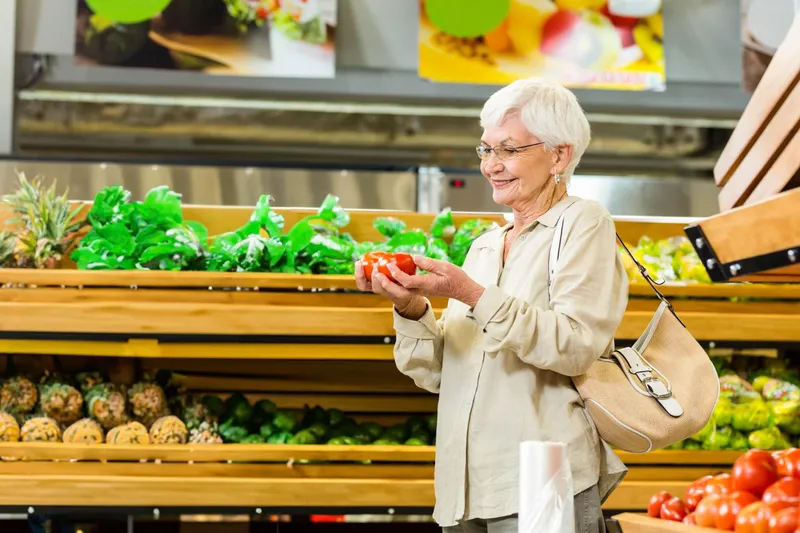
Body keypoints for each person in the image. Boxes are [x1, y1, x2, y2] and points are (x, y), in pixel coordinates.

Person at [354, 77, 629, 533]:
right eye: (485, 150)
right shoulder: (485, 245)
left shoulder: (583, 222)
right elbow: (443, 374)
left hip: (543, 478)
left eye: (509, 150)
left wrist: (470, 294)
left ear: (559, 154)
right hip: (465, 487)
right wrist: (411, 309)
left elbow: (576, 346)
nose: (492, 166)